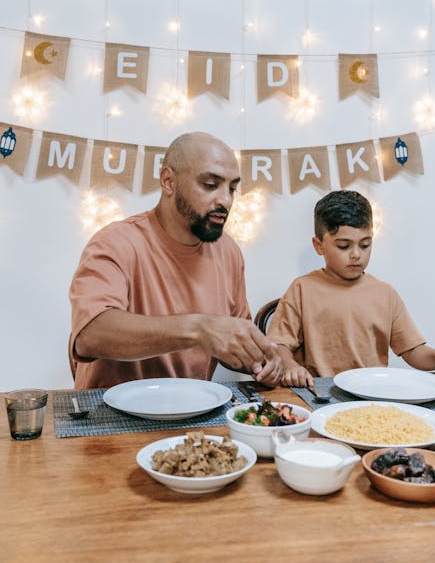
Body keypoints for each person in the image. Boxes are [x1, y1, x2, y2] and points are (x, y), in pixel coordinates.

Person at [69, 131, 281, 389]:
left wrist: (262, 361)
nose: (226, 200)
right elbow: (90, 336)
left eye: (232, 188)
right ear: (168, 181)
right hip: (110, 416)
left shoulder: (229, 251)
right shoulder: (116, 242)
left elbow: (234, 341)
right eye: (210, 185)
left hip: (194, 412)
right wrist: (199, 330)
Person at [267, 189, 435, 388]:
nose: (356, 254)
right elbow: (279, 345)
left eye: (365, 245)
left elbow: (413, 351)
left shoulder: (385, 294)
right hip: (319, 392)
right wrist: (291, 366)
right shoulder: (302, 288)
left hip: (372, 394)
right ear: (319, 245)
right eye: (343, 246)